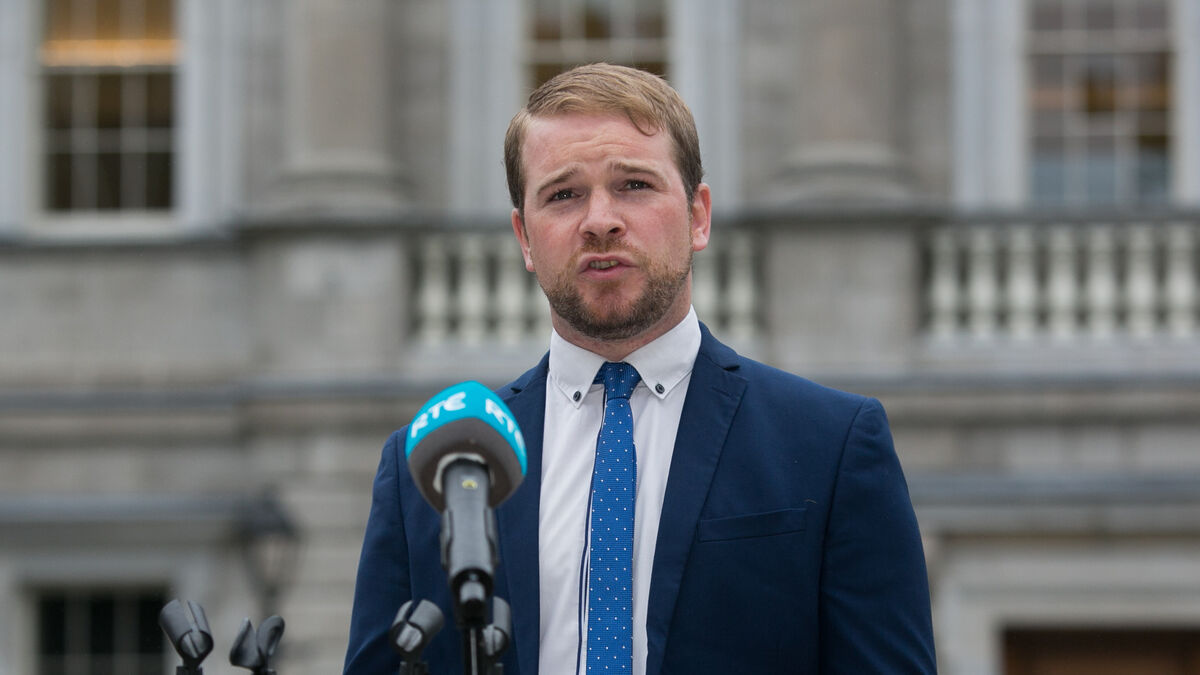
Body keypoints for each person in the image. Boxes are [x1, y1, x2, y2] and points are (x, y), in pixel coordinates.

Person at [344, 63, 936, 674]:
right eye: (563, 194)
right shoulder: (433, 468)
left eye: (634, 185)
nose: (600, 220)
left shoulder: (830, 445)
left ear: (698, 216)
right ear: (524, 237)